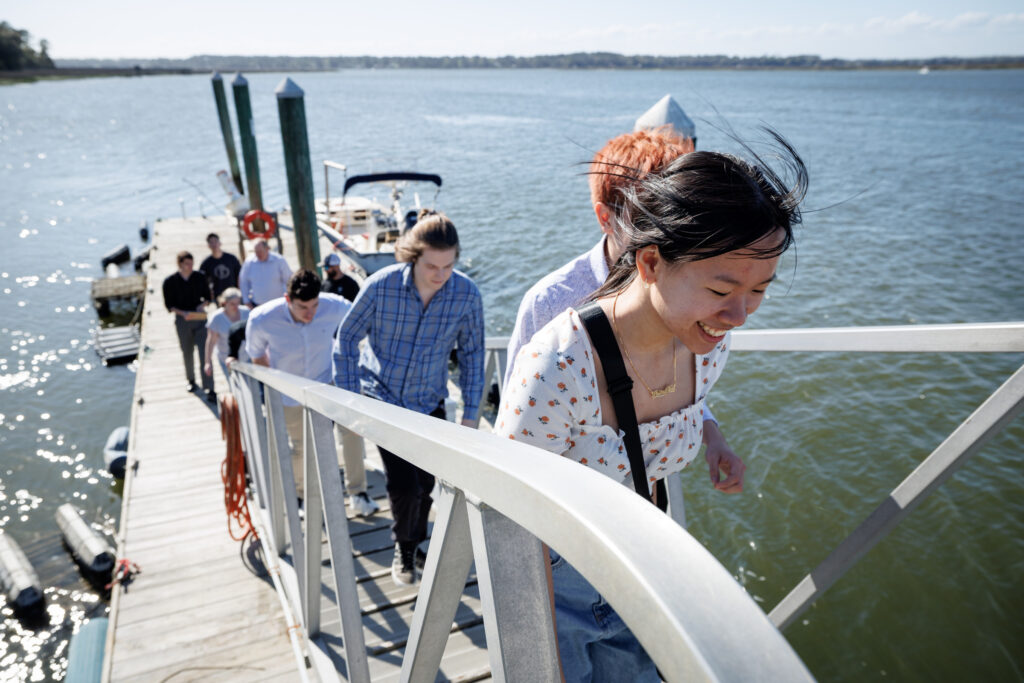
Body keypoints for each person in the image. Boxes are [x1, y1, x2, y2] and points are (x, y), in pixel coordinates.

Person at [496, 134, 808, 682]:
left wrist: (711, 437)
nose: (739, 314)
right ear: (649, 262)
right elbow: (509, 524)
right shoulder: (560, 365)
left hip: (645, 564)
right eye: (721, 288)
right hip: (559, 585)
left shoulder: (706, 346)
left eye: (760, 290)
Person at [333, 210, 485, 587]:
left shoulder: (466, 295)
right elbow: (346, 337)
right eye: (432, 265)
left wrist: (470, 415)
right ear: (413, 255)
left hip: (429, 400)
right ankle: (404, 547)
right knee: (404, 485)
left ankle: (418, 537)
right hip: (382, 398)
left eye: (448, 265)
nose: (440, 274)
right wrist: (351, 402)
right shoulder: (380, 286)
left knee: (427, 482)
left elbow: (472, 356)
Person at [246, 269, 378, 516]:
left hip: (329, 381)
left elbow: (364, 323)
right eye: (302, 307)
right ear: (288, 300)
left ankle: (358, 493)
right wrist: (276, 385)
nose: (310, 313)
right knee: (301, 446)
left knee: (351, 432)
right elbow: (256, 355)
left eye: (314, 305)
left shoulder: (335, 306)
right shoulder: (262, 318)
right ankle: (304, 497)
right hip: (290, 391)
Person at [162, 250, 215, 402]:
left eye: (191, 263)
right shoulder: (170, 282)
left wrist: (202, 305)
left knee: (205, 353)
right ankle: (191, 381)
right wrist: (182, 313)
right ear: (180, 264)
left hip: (200, 319)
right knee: (187, 352)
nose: (190, 266)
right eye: (187, 264)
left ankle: (209, 388)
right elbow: (169, 305)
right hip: (183, 321)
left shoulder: (200, 277)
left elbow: (208, 297)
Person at [203, 287, 249, 383]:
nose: (236, 307)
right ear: (224, 303)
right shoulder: (217, 318)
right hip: (227, 359)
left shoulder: (246, 312)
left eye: (238, 303)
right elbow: (211, 341)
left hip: (247, 357)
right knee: (235, 386)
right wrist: (208, 362)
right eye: (232, 304)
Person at [238, 238, 292, 308]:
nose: (258, 254)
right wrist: (246, 301)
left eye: (260, 251)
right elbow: (243, 282)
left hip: (279, 305)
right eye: (256, 252)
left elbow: (288, 280)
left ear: (267, 249)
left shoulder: (279, 260)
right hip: (257, 305)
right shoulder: (249, 262)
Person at [199, 232, 242, 300]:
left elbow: (240, 274)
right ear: (208, 245)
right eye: (211, 242)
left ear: (220, 243)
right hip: (218, 296)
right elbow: (203, 281)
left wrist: (240, 289)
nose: (214, 244)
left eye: (215, 241)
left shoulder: (231, 259)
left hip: (234, 293)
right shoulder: (206, 263)